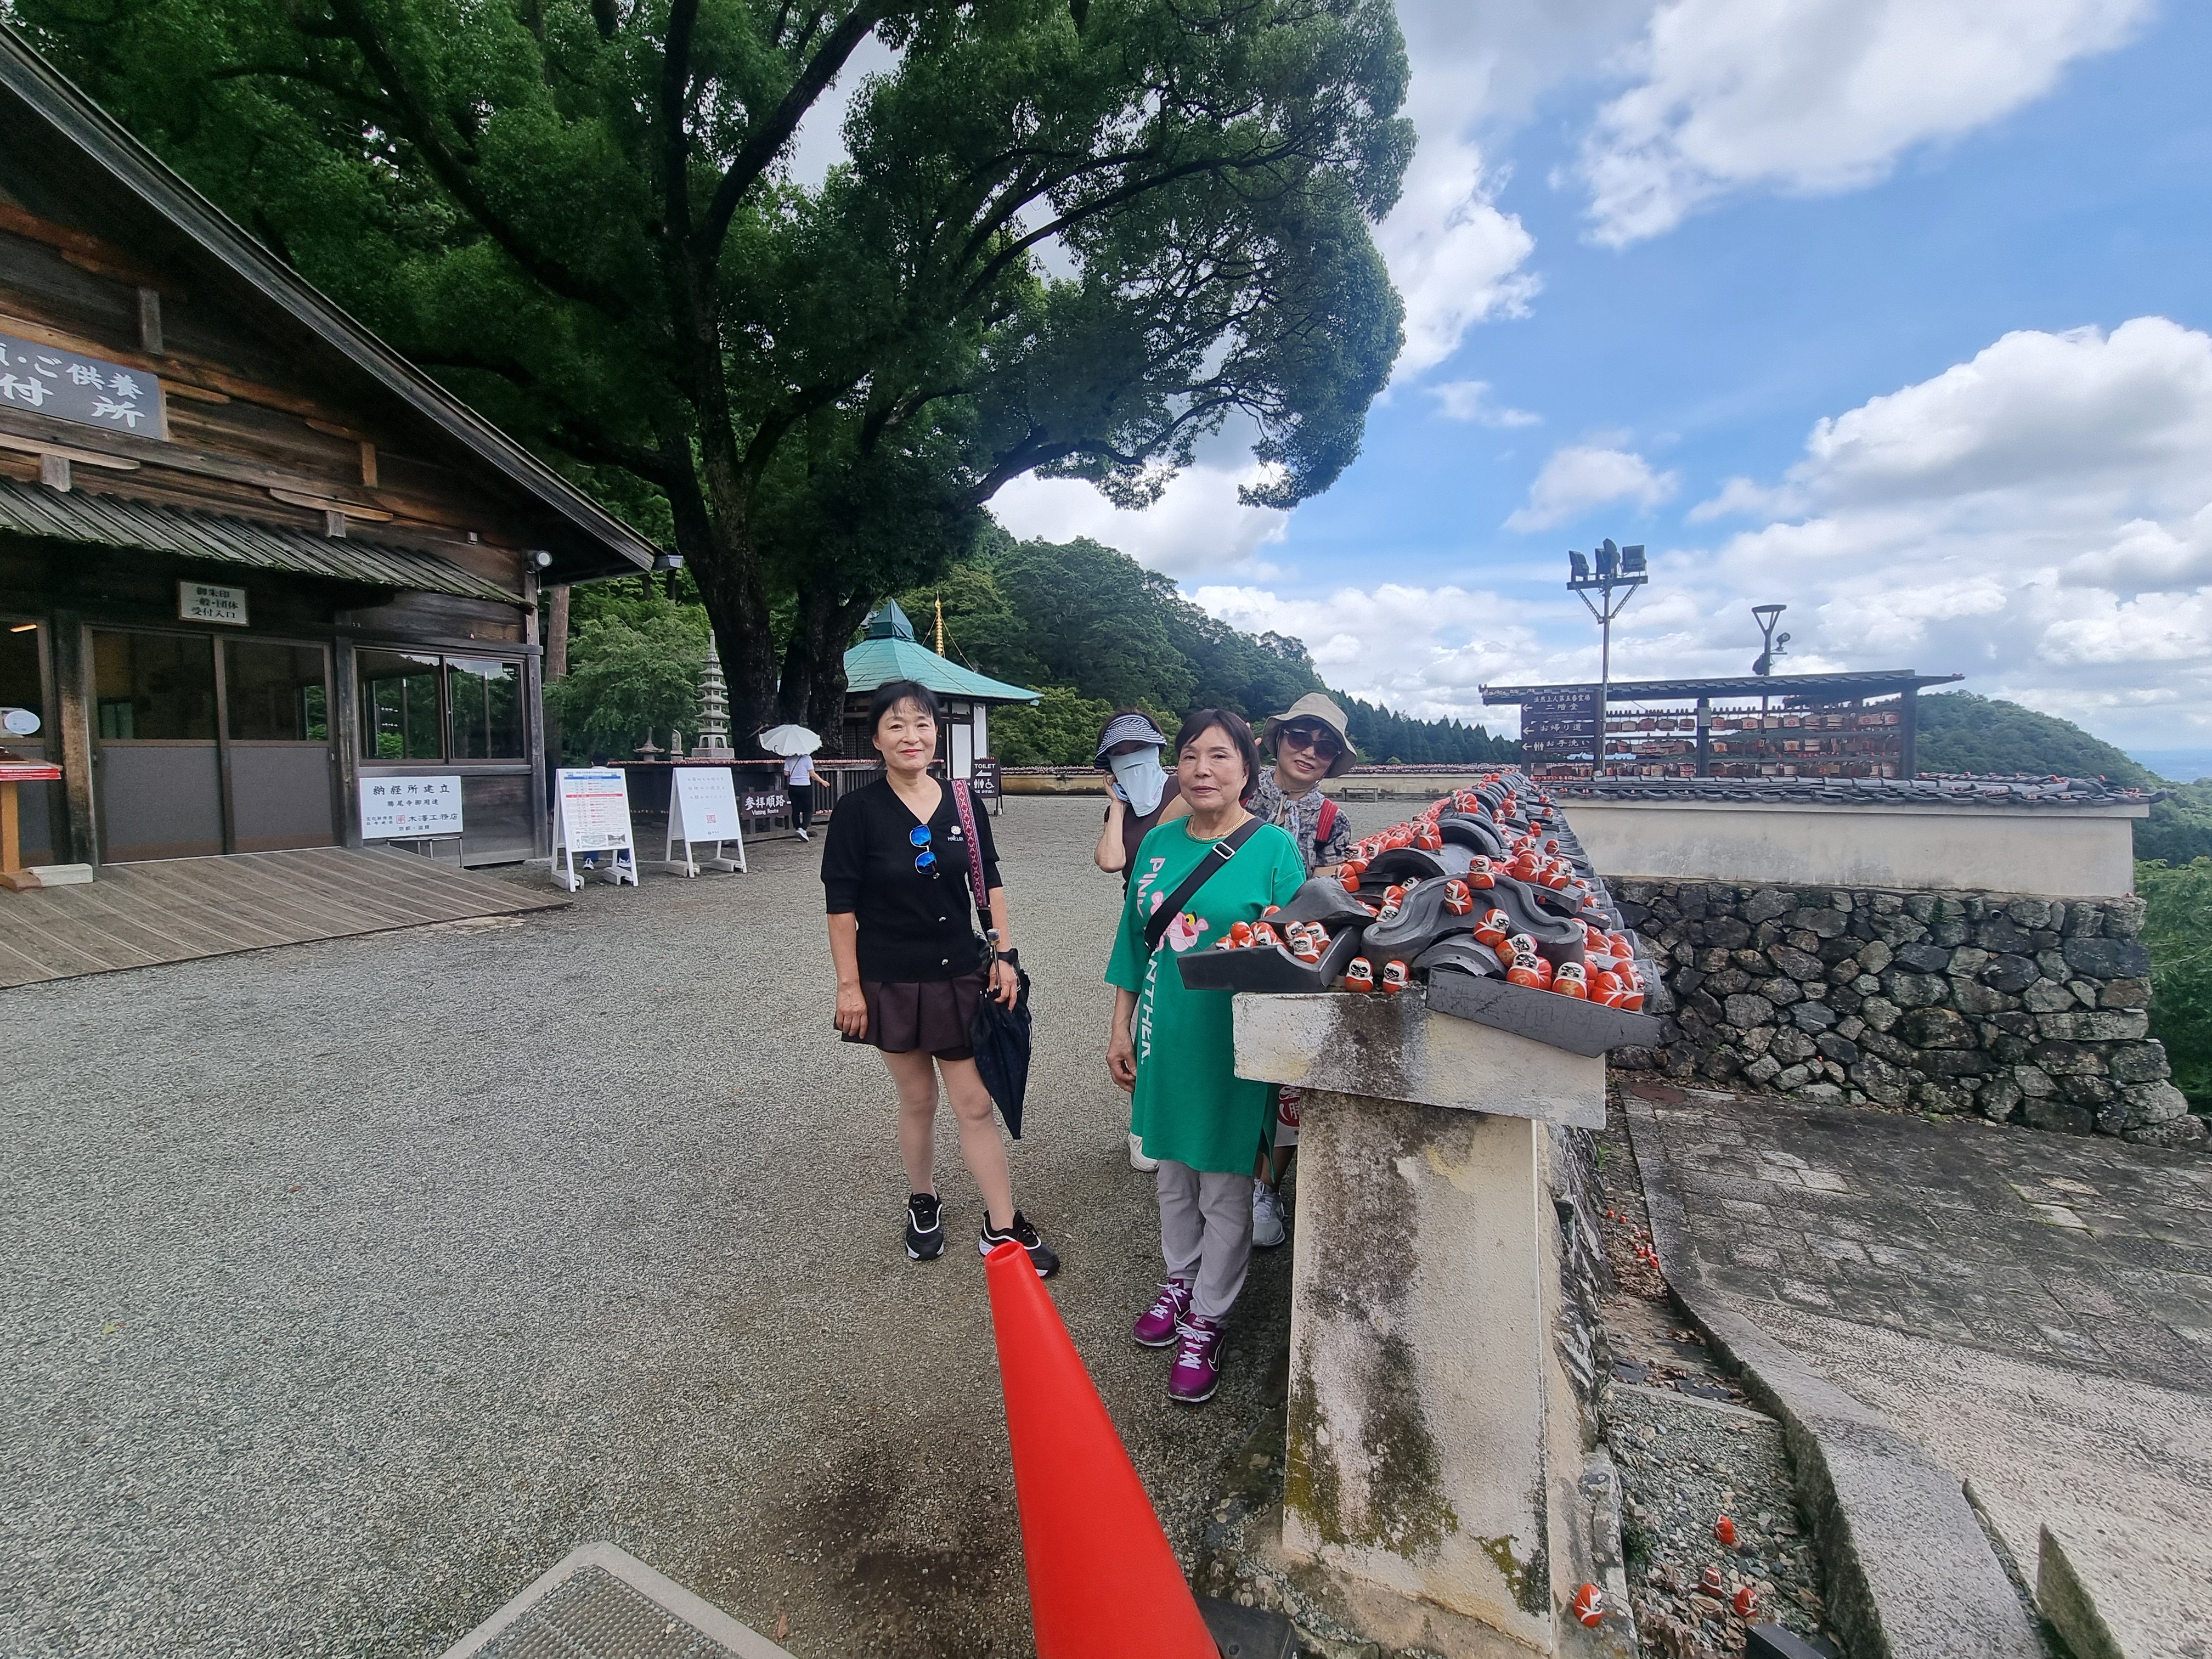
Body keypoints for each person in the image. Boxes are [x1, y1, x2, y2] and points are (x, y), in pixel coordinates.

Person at [823, 679, 1058, 1276]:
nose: (911, 736)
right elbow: (841, 907)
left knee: (974, 1103)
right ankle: (923, 1197)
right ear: (877, 739)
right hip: (890, 979)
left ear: (937, 733)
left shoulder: (963, 800)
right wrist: (849, 987)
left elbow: (988, 883)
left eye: (922, 724)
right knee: (918, 1098)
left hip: (959, 973)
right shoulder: (857, 811)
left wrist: (1005, 955)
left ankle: (1001, 1223)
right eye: (896, 725)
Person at [1105, 709, 1305, 1403]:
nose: (1202, 770)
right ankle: (1180, 1280)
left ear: (1248, 769)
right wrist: (1120, 1027)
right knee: (1171, 1173)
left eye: (1220, 756)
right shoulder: (1158, 845)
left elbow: (1298, 953)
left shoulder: (1274, 849)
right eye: (1190, 756)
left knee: (1223, 1184)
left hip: (1234, 1041)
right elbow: (1134, 941)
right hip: (1164, 1031)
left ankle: (1210, 1317)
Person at [1246, 693, 1359, 1249]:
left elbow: (1332, 901)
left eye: (1326, 745)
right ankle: (1215, 1175)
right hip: (1229, 947)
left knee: (1290, 1078)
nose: (1310, 751)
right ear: (1277, 740)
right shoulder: (1237, 791)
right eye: (1300, 736)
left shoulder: (1333, 820)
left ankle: (1266, 1187)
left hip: (1295, 958)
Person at [1091, 709, 1191, 1172]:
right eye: (1120, 752)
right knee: (1146, 1026)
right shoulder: (1121, 807)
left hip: (1192, 919)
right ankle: (1143, 1125)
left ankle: (1184, 1121)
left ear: (1158, 749)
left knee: (1182, 1024)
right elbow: (1111, 861)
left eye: (1139, 747)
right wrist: (1116, 807)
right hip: (1144, 924)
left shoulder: (1184, 789)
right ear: (1108, 764)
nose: (1131, 757)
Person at [784, 746, 817, 840]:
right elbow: (813, 774)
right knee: (808, 810)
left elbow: (786, 773)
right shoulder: (807, 758)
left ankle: (798, 828)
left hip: (793, 787)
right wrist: (823, 782)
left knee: (796, 810)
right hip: (805, 786)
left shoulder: (789, 759)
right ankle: (803, 829)